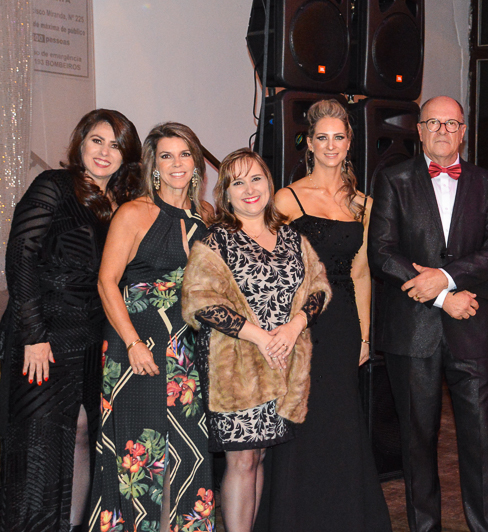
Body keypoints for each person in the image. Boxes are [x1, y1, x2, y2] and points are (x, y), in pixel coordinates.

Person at [368, 95, 488, 532]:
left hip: (472, 326)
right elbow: (381, 253)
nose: (443, 131)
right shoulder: (392, 180)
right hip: (412, 331)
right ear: (419, 130)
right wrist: (440, 297)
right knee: (417, 441)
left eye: (452, 124)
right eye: (434, 123)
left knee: (481, 441)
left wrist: (447, 277)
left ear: (463, 131)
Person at [0, 109, 141, 532]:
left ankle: (72, 525)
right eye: (97, 140)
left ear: (126, 156)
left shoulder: (121, 207)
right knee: (38, 442)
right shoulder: (55, 185)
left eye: (115, 145)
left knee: (81, 435)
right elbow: (20, 255)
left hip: (91, 339)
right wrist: (33, 334)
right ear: (80, 142)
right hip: (43, 334)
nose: (104, 152)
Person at [182, 148, 331, 532]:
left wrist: (294, 327)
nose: (249, 189)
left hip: (282, 365)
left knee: (260, 456)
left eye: (256, 178)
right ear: (225, 194)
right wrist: (262, 338)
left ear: (269, 183)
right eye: (238, 182)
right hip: (236, 368)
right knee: (242, 460)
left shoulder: (292, 238)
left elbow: (318, 287)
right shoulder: (216, 241)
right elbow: (201, 301)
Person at [261, 99, 390, 531]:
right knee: (302, 417)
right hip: (300, 323)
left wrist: (365, 337)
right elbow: (270, 269)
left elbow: (362, 272)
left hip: (343, 325)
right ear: (310, 144)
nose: (331, 145)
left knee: (340, 421)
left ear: (349, 143)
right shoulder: (288, 198)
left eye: (339, 137)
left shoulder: (365, 204)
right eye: (322, 138)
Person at [88, 122, 216, 532]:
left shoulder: (206, 216)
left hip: (187, 350)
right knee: (141, 456)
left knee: (188, 455)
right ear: (153, 165)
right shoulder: (134, 212)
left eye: (184, 154)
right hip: (137, 348)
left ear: (196, 162)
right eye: (166, 156)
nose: (177, 163)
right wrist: (132, 343)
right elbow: (106, 282)